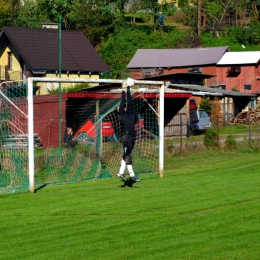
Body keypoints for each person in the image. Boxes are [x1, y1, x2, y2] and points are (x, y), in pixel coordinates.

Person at [116, 87, 140, 182]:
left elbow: (129, 101)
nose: (120, 107)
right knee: (128, 155)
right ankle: (132, 174)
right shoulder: (121, 114)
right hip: (126, 137)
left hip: (132, 136)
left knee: (126, 154)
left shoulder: (129, 112)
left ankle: (121, 172)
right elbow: (123, 102)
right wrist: (122, 91)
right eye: (118, 108)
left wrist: (128, 90)